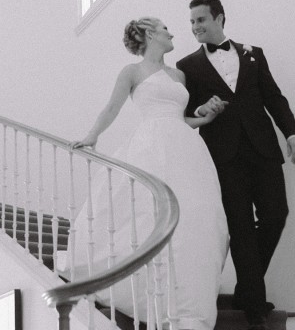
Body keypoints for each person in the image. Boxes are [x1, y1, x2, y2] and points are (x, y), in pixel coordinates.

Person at [69, 17, 229, 330]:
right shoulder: (132, 72)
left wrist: (205, 119)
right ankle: (149, 294)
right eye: (164, 27)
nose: (171, 32)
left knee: (193, 216)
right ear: (149, 33)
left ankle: (186, 298)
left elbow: (182, 119)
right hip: (152, 144)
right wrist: (92, 136)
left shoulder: (178, 74)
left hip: (186, 148)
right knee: (149, 212)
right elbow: (111, 108)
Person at [176, 0, 295, 330]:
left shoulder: (253, 54)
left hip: (263, 149)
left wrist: (292, 133)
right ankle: (255, 309)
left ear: (219, 18)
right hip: (224, 155)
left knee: (276, 215)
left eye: (201, 20)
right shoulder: (187, 66)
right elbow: (186, 113)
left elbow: (273, 97)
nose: (195, 27)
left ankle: (247, 289)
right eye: (191, 22)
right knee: (242, 228)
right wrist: (205, 109)